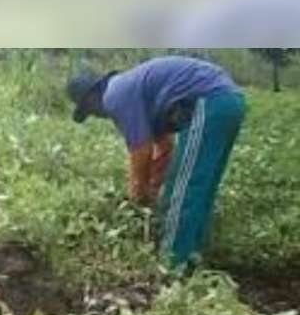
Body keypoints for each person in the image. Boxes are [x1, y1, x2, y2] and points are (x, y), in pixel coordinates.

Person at [66, 55, 246, 267]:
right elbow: (164, 147)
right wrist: (154, 185)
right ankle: (191, 257)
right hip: (230, 102)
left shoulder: (115, 96)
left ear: (91, 99)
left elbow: (140, 151)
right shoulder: (135, 89)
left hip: (209, 102)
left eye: (89, 111)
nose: (95, 116)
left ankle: (171, 265)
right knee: (200, 187)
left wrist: (137, 194)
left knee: (184, 191)